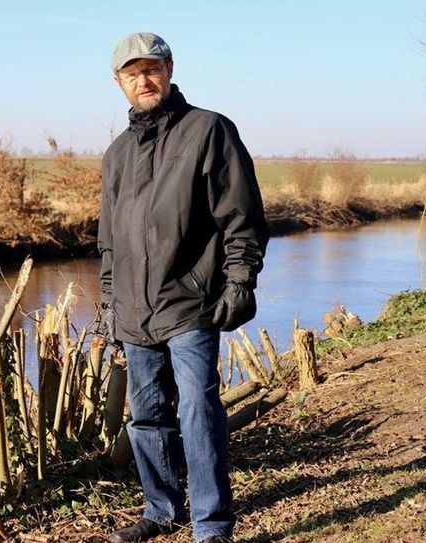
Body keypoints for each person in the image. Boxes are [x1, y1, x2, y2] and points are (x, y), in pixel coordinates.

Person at [98, 32, 269, 543]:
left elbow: (242, 217)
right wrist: (109, 304)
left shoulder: (209, 130)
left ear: (169, 70)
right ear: (119, 83)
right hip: (133, 309)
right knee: (146, 417)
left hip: (190, 302)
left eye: (151, 69)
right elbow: (109, 241)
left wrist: (240, 280)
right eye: (132, 74)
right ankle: (162, 509)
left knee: (198, 411)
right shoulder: (117, 154)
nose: (143, 80)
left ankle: (211, 525)